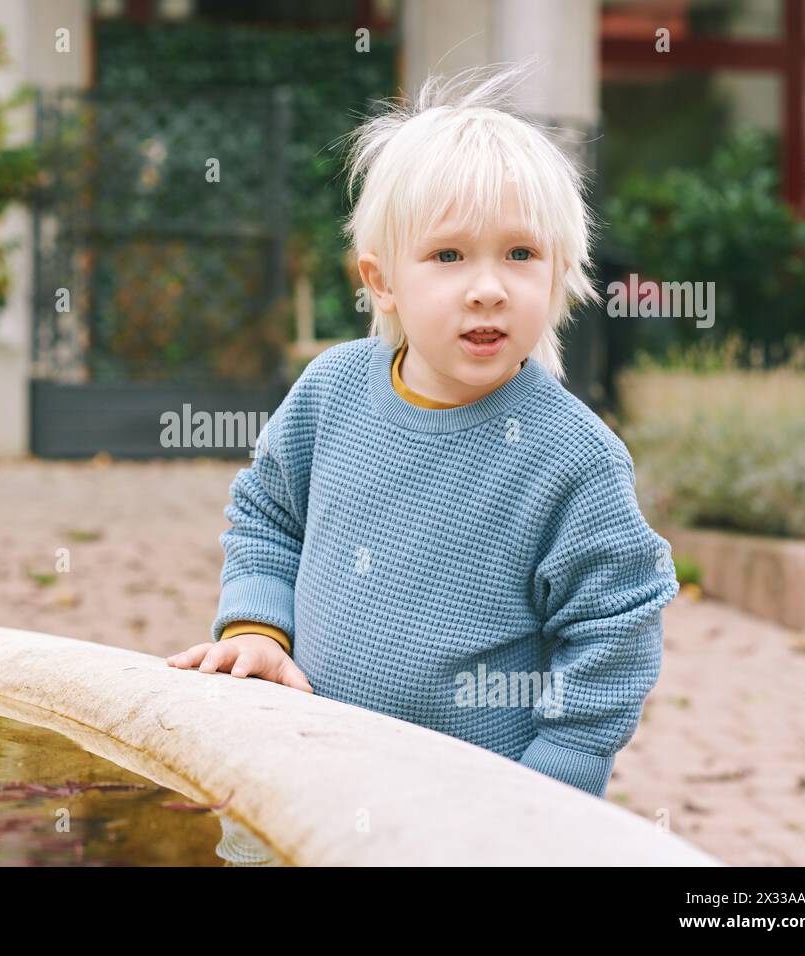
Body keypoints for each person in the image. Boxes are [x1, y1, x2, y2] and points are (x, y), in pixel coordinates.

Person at [166, 60, 679, 799]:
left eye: (520, 254)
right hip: (305, 770)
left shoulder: (576, 458)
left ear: (560, 268)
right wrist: (256, 629)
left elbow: (614, 631)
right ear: (382, 281)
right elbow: (268, 516)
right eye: (448, 255)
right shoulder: (332, 391)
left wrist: (552, 791)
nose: (488, 288)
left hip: (470, 809)